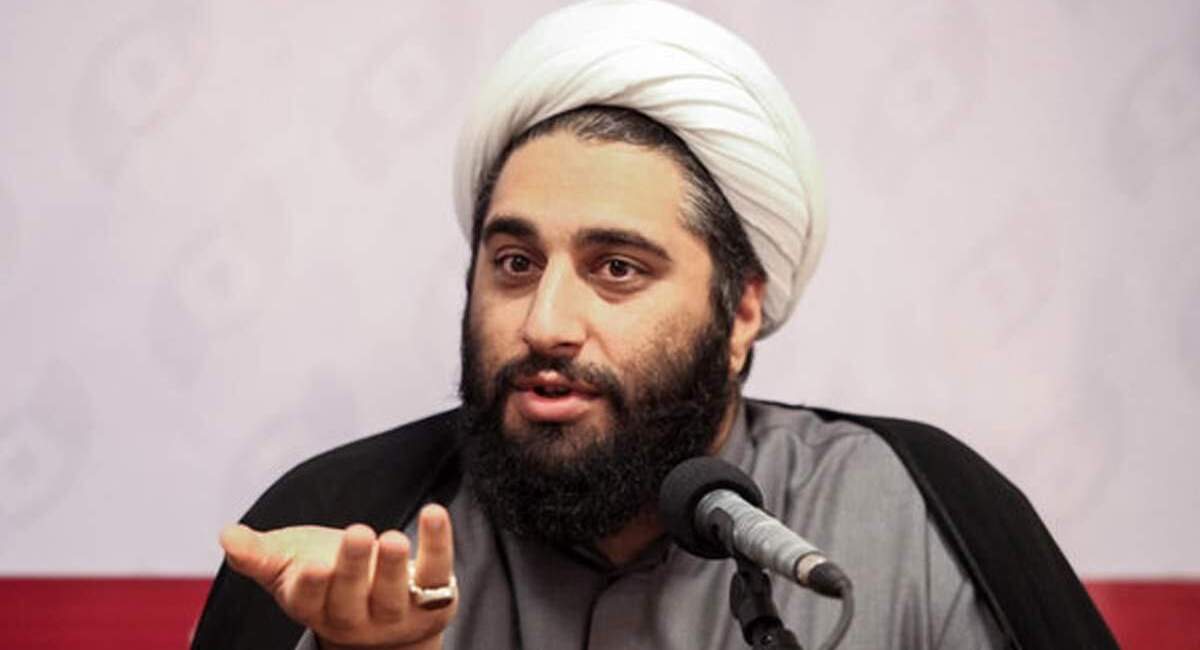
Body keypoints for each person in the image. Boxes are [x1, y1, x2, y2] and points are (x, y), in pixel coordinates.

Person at [192, 2, 1116, 649]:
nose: (546, 324)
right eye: (515, 263)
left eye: (617, 269)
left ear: (740, 309)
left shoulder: (914, 517)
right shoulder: (346, 530)